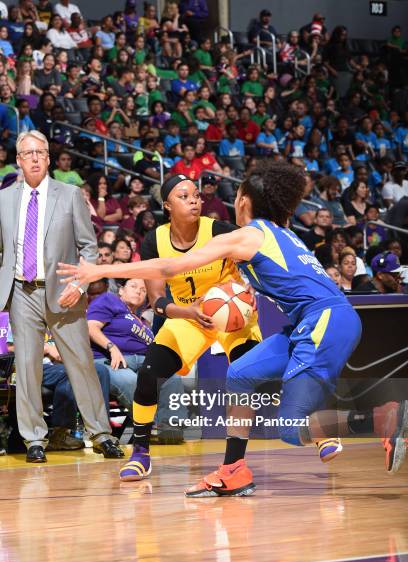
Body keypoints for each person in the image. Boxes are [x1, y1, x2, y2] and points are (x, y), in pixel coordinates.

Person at [59, 161, 408, 493]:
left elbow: (169, 267)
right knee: (240, 373)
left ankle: (381, 419)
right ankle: (233, 469)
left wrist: (100, 271)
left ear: (243, 200)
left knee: (291, 427)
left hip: (325, 321)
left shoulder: (245, 235)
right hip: (309, 321)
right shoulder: (278, 232)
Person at [0, 130, 123, 462]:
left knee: (81, 364)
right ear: (19, 160)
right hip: (22, 292)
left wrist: (80, 285)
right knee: (26, 368)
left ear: (49, 158)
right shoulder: (4, 199)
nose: (35, 158)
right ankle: (33, 440)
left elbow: (90, 249)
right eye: (29, 153)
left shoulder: (69, 195)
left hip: (65, 292)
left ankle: (101, 433)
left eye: (41, 152)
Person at [87, 277, 185, 442]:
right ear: (121, 290)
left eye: (143, 290)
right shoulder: (109, 300)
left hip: (141, 361)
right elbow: (90, 327)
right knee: (132, 380)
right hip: (108, 360)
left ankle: (169, 427)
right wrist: (111, 347)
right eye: (133, 286)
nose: (139, 291)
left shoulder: (142, 323)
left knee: (171, 378)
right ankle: (150, 426)